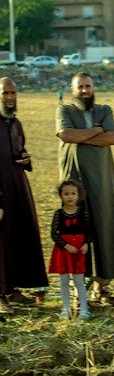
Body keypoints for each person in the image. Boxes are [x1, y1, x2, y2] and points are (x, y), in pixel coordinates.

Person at [56, 72, 114, 305]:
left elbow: (112, 138)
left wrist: (80, 137)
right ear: (72, 89)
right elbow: (65, 134)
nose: (85, 91)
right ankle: (78, 290)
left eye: (88, 86)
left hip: (102, 181)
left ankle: (101, 286)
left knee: (104, 228)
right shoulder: (65, 110)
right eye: (80, 87)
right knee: (75, 231)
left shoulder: (104, 110)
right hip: (75, 182)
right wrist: (96, 131)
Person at [0, 77, 48, 314]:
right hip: (0, 190)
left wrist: (26, 159)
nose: (10, 97)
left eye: (13, 93)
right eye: (5, 93)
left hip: (18, 186)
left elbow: (20, 150)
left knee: (17, 236)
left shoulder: (15, 123)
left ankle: (13, 289)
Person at [48, 179, 93, 320]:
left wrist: (86, 244)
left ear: (78, 195)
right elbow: (53, 233)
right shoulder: (59, 214)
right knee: (64, 280)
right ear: (61, 196)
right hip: (63, 250)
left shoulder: (82, 213)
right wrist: (66, 245)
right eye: (66, 194)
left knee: (79, 281)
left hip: (79, 250)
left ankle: (84, 310)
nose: (70, 197)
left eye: (73, 193)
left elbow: (89, 232)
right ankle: (65, 309)